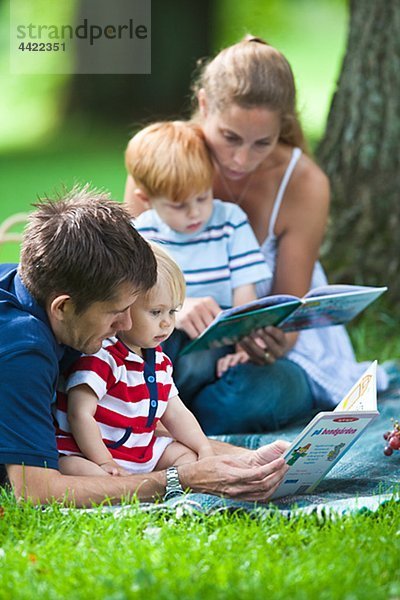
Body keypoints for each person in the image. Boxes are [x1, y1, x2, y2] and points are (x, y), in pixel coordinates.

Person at [124, 36, 388, 435]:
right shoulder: (163, 161)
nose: (240, 160)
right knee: (157, 361)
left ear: (283, 127)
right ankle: (170, 414)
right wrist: (181, 309)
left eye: (261, 143)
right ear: (204, 105)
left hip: (252, 361)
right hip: (168, 338)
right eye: (229, 137)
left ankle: (164, 420)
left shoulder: (302, 182)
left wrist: (275, 341)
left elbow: (288, 307)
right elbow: (129, 281)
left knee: (263, 395)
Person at [0, 185, 290, 506]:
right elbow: (36, 490)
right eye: (115, 312)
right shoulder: (22, 352)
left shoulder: (50, 294)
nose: (126, 325)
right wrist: (180, 480)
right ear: (63, 307)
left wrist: (250, 461)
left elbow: (135, 430)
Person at [125, 120, 271, 390]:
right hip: (165, 336)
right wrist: (177, 310)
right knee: (165, 348)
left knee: (264, 380)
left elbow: (244, 293)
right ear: (146, 199)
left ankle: (185, 411)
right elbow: (137, 301)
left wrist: (242, 344)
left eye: (202, 198)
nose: (194, 213)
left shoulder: (229, 221)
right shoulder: (143, 233)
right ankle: (166, 408)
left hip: (219, 341)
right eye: (178, 206)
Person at [55, 243, 214, 477]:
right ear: (124, 309)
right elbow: (79, 413)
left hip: (138, 453)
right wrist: (104, 462)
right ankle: (134, 487)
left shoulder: (159, 360)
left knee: (185, 457)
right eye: (156, 312)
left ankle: (149, 484)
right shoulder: (102, 356)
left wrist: (204, 449)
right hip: (90, 453)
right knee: (71, 467)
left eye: (172, 311)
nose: (167, 323)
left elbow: (177, 413)